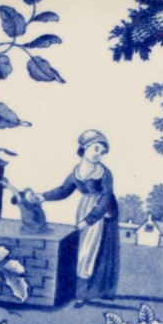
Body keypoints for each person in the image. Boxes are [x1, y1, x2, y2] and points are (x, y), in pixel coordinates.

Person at [25, 129, 119, 303]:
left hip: (101, 212)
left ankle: (82, 295)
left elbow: (105, 198)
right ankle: (76, 291)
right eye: (96, 149)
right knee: (80, 248)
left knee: (88, 251)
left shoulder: (104, 173)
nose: (99, 154)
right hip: (84, 207)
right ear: (85, 147)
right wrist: (43, 196)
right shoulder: (77, 171)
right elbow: (64, 190)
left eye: (102, 151)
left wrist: (88, 220)